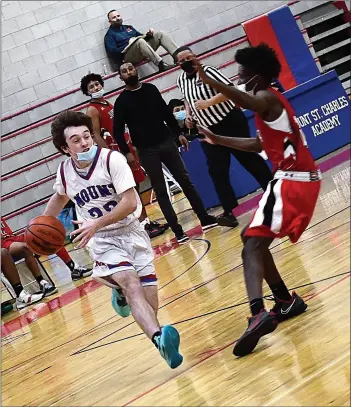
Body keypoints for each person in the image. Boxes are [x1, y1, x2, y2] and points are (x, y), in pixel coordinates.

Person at [194, 43, 321, 357]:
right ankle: (284, 300)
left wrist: (210, 80)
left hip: (293, 181)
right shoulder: (271, 109)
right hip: (295, 181)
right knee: (251, 238)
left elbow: (247, 99)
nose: (240, 81)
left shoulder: (265, 97)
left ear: (259, 77)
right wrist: (217, 138)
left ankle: (257, 313)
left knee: (251, 243)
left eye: (243, 76)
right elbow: (256, 143)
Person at [43, 110, 183, 369]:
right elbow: (60, 198)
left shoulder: (111, 160)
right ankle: (158, 339)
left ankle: (142, 318)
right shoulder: (65, 172)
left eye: (87, 136)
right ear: (64, 148)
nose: (85, 142)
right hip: (102, 239)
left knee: (149, 300)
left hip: (132, 231)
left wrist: (95, 222)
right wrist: (41, 227)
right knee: (131, 282)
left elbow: (131, 202)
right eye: (76, 140)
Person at [113, 63, 218, 243]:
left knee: (185, 181)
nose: (129, 72)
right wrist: (127, 152)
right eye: (124, 71)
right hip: (146, 151)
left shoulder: (151, 89)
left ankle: (205, 218)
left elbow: (165, 113)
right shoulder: (121, 101)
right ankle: (178, 232)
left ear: (135, 70)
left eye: (131, 68)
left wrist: (179, 134)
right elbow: (117, 130)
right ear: (120, 77)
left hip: (166, 142)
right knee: (161, 191)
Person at [175, 46, 273, 228]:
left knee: (250, 160)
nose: (187, 62)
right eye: (182, 60)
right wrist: (189, 115)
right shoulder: (181, 80)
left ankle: (275, 194)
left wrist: (209, 102)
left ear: (196, 57)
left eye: (190, 57)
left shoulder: (209, 71)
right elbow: (187, 99)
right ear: (178, 64)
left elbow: (231, 89)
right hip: (208, 129)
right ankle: (230, 212)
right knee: (217, 171)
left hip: (229, 122)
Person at [80, 73, 168, 239]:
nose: (96, 88)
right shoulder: (92, 109)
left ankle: (146, 221)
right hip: (115, 152)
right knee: (130, 189)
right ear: (87, 92)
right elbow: (95, 134)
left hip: (125, 147)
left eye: (97, 84)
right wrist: (109, 154)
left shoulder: (106, 103)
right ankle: (142, 225)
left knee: (136, 185)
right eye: (91, 87)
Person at [1, 218, 92, 282]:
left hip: (12, 238)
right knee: (25, 248)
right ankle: (42, 283)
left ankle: (74, 268)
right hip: (3, 244)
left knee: (47, 235)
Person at [104, 10, 178, 72]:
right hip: (128, 57)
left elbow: (141, 37)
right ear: (109, 21)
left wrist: (149, 35)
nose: (117, 18)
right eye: (114, 17)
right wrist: (129, 44)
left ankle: (178, 57)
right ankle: (161, 65)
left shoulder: (128, 27)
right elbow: (113, 53)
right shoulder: (109, 35)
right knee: (139, 41)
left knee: (160, 34)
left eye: (118, 16)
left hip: (142, 49)